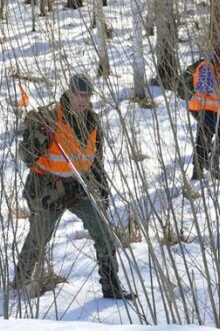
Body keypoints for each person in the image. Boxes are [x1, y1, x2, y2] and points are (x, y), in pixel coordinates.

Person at [14, 74, 135, 300]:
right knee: (39, 238)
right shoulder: (49, 119)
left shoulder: (93, 122)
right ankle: (20, 282)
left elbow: (96, 161)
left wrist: (103, 191)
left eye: (87, 95)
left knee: (103, 231)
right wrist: (38, 138)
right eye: (79, 95)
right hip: (46, 188)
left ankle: (111, 287)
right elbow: (27, 157)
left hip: (78, 186)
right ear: (70, 93)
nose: (83, 100)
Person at [187, 39, 220, 181]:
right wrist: (217, 82)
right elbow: (202, 87)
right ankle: (210, 163)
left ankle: (198, 173)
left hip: (213, 110)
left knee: (204, 138)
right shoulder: (207, 67)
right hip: (201, 108)